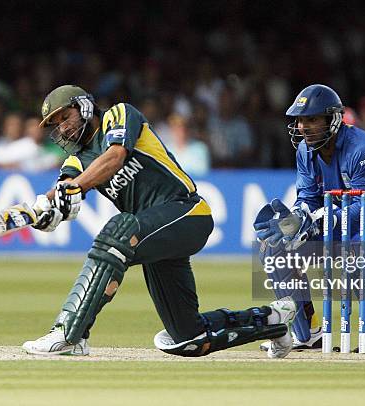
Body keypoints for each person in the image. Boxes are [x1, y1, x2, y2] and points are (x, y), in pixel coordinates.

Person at [22, 85, 297, 358]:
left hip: (186, 212)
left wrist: (73, 189)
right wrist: (46, 208)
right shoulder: (75, 160)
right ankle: (272, 321)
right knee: (188, 337)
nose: (63, 129)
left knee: (117, 233)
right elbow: (65, 188)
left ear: (83, 107)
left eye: (64, 118)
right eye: (55, 126)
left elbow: (115, 156)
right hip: (153, 232)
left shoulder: (117, 115)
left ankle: (70, 333)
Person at [255, 84, 365, 355]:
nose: (302, 127)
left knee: (357, 251)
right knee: (275, 250)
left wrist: (322, 220)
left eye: (311, 119)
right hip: (343, 212)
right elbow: (308, 198)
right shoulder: (305, 151)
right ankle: (307, 333)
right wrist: (299, 218)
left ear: (333, 119)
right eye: (299, 120)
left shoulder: (362, 147)